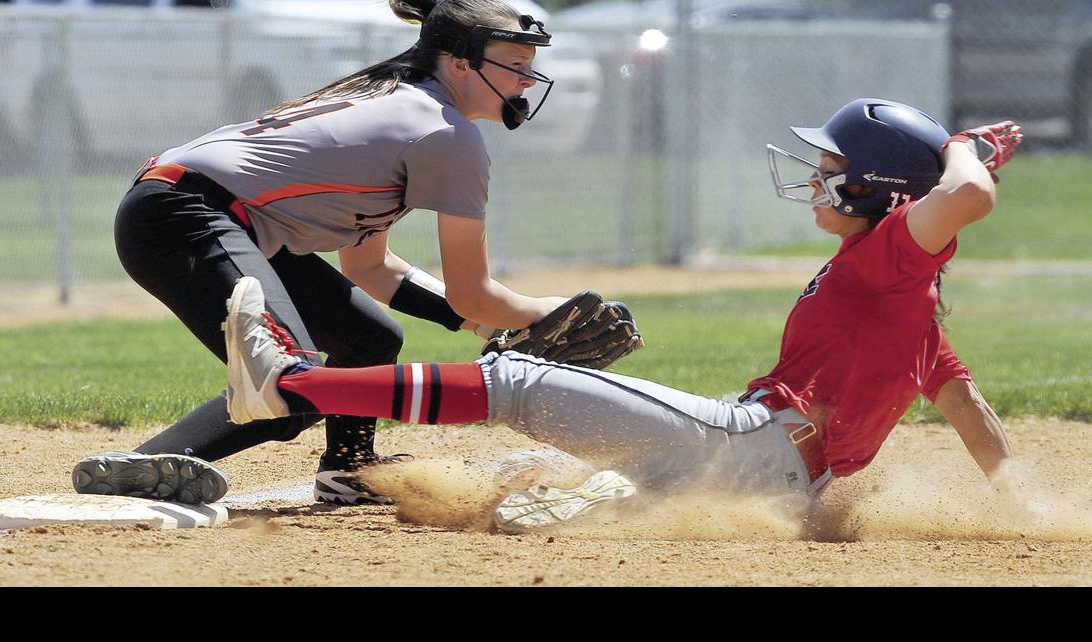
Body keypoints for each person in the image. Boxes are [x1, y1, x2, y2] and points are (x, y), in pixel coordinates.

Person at [215, 98, 1025, 531]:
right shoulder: (906, 306)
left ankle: (290, 383)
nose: (816, 179)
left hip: (743, 445)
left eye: (832, 169)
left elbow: (970, 194)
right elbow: (972, 412)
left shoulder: (895, 252)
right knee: (526, 481)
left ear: (882, 192)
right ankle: (606, 495)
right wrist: (1023, 507)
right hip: (769, 478)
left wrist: (966, 145)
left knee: (518, 377)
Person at [70, 0, 617, 507]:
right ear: (459, 64)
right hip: (184, 217)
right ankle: (137, 467)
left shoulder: (409, 107)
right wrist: (541, 313)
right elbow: (473, 292)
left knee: (369, 338)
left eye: (531, 65)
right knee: (288, 383)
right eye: (515, 63)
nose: (528, 79)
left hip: (197, 212)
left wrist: (483, 325)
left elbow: (370, 268)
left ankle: (349, 470)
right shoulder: (444, 133)